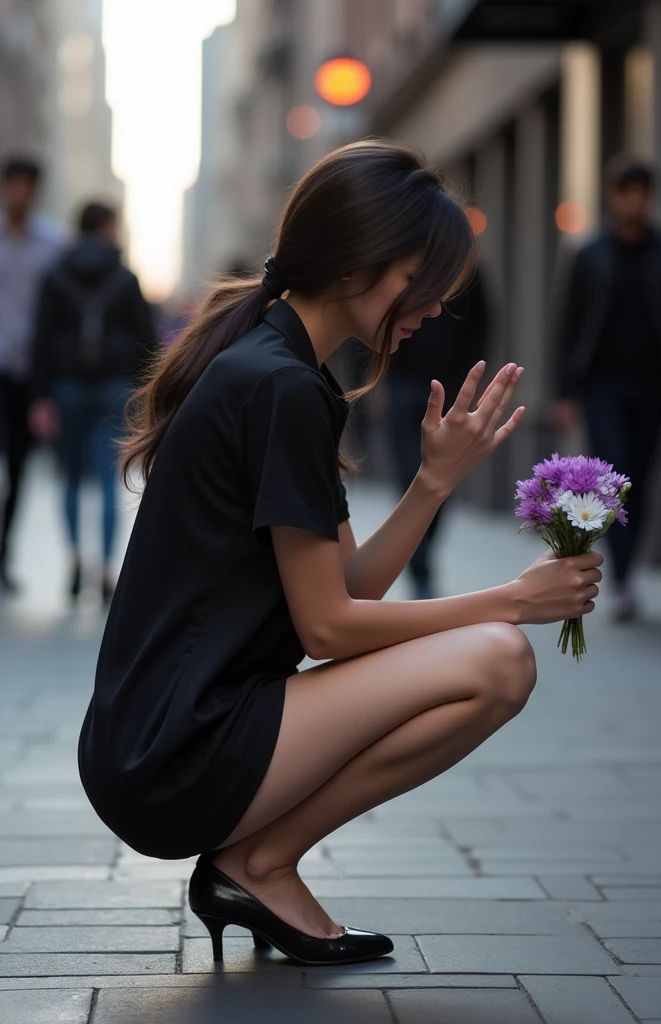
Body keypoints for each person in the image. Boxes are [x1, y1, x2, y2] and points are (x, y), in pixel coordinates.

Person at [78, 141, 602, 967]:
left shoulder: (285, 372)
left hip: (170, 735)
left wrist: (431, 484)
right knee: (500, 657)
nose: (436, 306)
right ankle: (259, 862)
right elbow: (328, 627)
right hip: (173, 751)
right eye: (422, 281)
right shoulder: (279, 384)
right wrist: (512, 599)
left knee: (497, 658)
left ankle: (257, 864)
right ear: (359, 268)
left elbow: (347, 586)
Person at [553, 155, 661, 622]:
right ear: (613, 197)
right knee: (614, 476)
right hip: (601, 386)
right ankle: (622, 578)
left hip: (653, 385)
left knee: (643, 480)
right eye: (627, 192)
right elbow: (568, 327)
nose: (635, 201)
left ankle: (627, 576)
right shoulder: (589, 255)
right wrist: (565, 393)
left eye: (642, 193)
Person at [28, 202, 157, 605]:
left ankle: (74, 560)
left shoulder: (56, 274)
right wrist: (142, 394)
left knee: (68, 478)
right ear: (106, 228)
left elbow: (42, 339)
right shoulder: (125, 277)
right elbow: (146, 342)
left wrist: (40, 396)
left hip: (66, 386)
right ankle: (103, 570)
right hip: (113, 388)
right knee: (105, 479)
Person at [386, 267, 491, 598]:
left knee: (441, 480)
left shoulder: (468, 273)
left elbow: (482, 326)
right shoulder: (401, 265)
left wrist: (471, 380)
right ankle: (418, 568)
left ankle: (422, 560)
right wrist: (373, 380)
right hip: (402, 385)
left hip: (450, 387)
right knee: (409, 474)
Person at [0, 157, 64, 592]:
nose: (20, 193)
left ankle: (3, 556)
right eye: (14, 185)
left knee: (18, 470)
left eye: (28, 186)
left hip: (27, 374)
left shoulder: (53, 245)